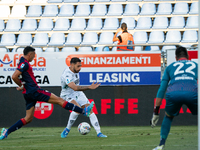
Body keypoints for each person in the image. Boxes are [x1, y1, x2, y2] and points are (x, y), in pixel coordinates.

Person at [0, 46, 94, 140]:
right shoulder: (24, 64)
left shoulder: (22, 62)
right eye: (34, 54)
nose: (35, 56)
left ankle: (7, 131)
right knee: (59, 100)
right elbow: (14, 76)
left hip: (28, 93)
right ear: (30, 54)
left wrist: (22, 85)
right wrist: (21, 85)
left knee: (28, 118)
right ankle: (83, 111)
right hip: (34, 91)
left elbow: (20, 76)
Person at [150, 46, 198, 150]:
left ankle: (161, 145)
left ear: (176, 58)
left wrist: (156, 112)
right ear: (188, 56)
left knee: (168, 116)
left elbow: (162, 90)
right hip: (192, 92)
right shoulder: (196, 65)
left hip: (174, 93)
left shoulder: (170, 67)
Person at [60, 57, 107, 138]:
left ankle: (99, 133)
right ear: (72, 65)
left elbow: (76, 89)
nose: (80, 68)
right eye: (78, 66)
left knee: (90, 110)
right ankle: (67, 129)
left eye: (80, 66)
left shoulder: (75, 70)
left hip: (78, 93)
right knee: (77, 109)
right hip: (67, 95)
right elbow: (74, 87)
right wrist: (89, 87)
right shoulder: (67, 75)